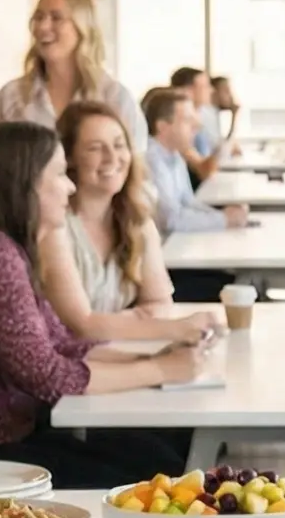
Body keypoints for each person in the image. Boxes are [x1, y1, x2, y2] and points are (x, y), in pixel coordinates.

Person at [0, 123, 210, 483]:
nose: (70, 186)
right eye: (59, 174)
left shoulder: (0, 244)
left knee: (156, 455)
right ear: (24, 185)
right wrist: (163, 371)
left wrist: (155, 357)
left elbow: (63, 344)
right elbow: (47, 376)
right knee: (148, 471)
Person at [40, 100, 222, 344]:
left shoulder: (138, 221)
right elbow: (82, 326)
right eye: (95, 148)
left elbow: (159, 302)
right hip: (73, 369)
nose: (112, 157)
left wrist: (110, 324)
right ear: (69, 157)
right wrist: (153, 323)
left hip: (120, 354)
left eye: (119, 145)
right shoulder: (54, 227)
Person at [0, 0, 147, 146]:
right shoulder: (11, 96)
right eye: (38, 17)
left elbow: (136, 164)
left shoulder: (114, 97)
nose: (43, 27)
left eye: (56, 18)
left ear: (82, 27)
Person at [142, 87, 246, 235]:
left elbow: (188, 202)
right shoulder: (151, 159)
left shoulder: (175, 154)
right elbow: (171, 220)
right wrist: (224, 219)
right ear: (163, 127)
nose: (197, 127)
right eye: (187, 120)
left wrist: (225, 214)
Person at [170, 66, 223, 178]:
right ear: (188, 91)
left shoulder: (200, 117)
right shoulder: (178, 125)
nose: (212, 90)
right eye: (206, 86)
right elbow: (206, 170)